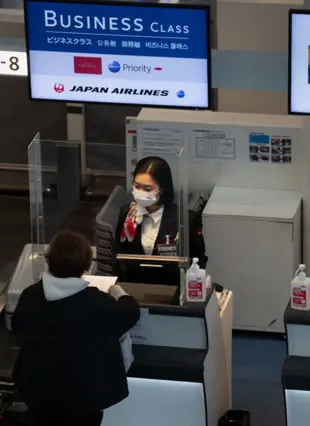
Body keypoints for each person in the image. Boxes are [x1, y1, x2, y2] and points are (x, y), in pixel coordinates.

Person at [12, 230, 140, 426]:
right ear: (87, 266)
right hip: (83, 400)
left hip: (39, 394)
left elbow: (18, 329)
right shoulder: (97, 303)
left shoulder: (30, 296)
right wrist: (119, 292)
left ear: (49, 259)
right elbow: (129, 312)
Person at [114, 156, 207, 285]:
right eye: (137, 186)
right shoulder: (127, 214)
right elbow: (119, 255)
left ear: (161, 190)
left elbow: (198, 260)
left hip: (173, 288)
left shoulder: (186, 219)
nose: (140, 192)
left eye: (147, 189)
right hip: (134, 288)